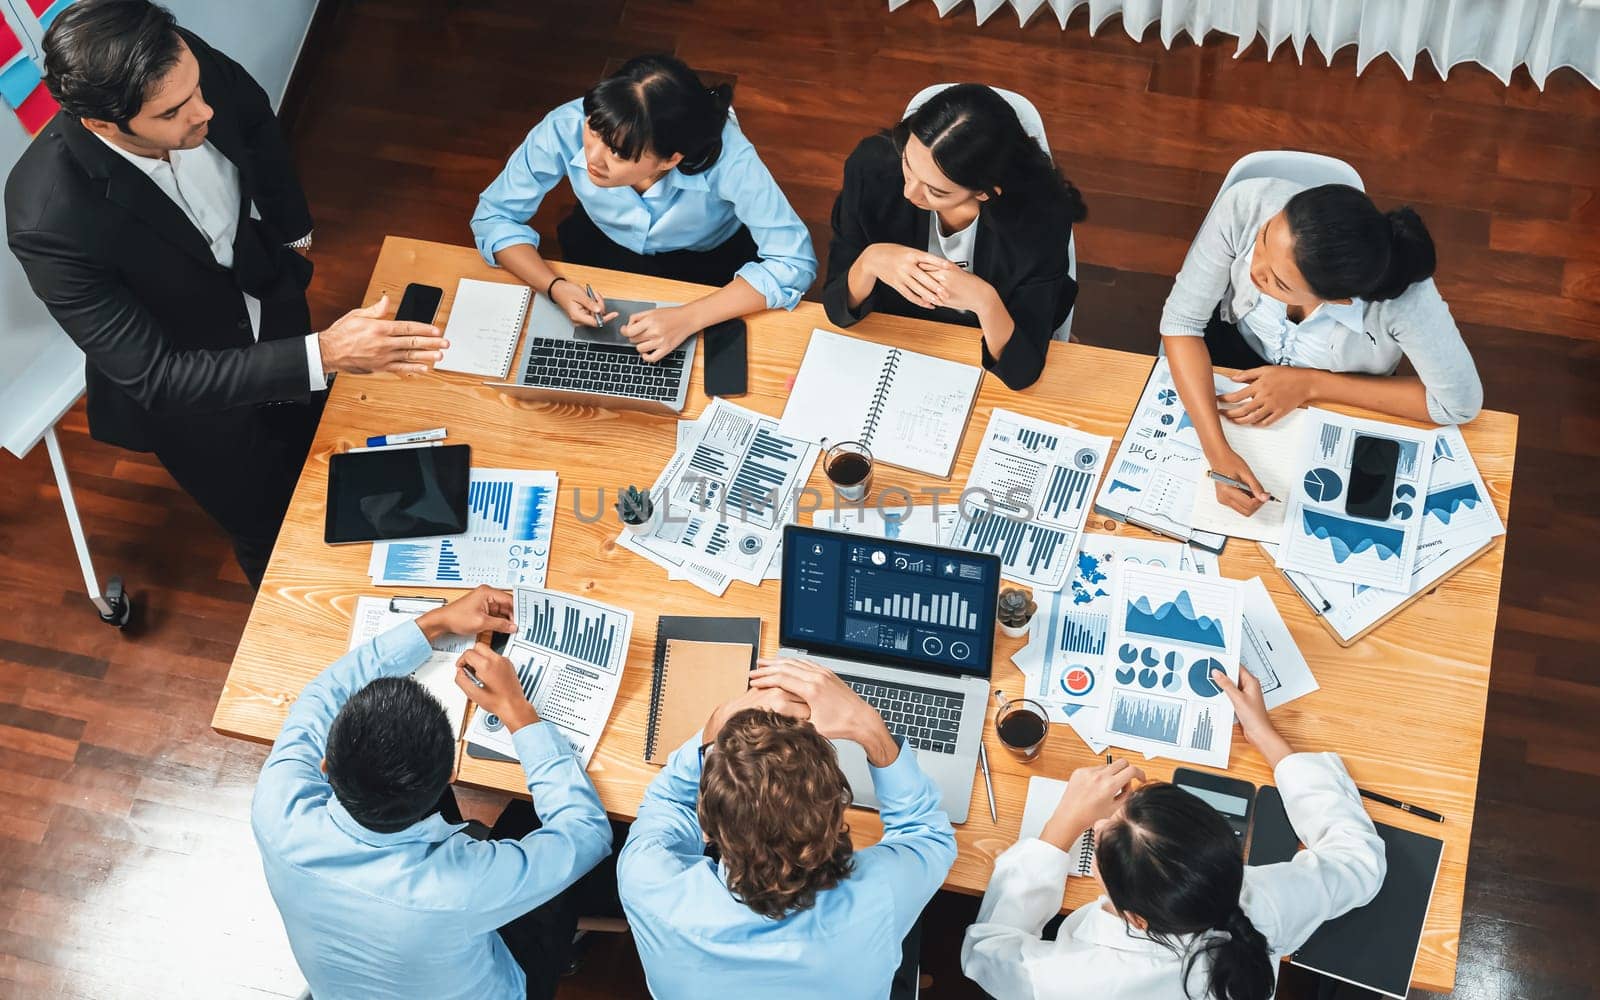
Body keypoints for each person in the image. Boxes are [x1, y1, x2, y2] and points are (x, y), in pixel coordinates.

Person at [5, 0, 446, 588]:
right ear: (104, 125)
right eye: (173, 113)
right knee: (265, 522)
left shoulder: (177, 63)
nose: (203, 109)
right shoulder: (47, 217)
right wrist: (325, 355)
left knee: (319, 447)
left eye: (195, 90)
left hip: (272, 302)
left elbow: (255, 117)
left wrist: (295, 234)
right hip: (199, 406)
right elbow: (159, 378)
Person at [251, 585, 614, 1000]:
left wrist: (436, 622)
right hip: (498, 983)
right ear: (448, 779)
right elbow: (586, 833)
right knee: (524, 819)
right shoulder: (461, 885)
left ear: (325, 765)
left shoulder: (276, 808)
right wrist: (519, 712)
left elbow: (323, 695)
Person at [960, 668, 1387, 1000]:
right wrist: (1264, 735)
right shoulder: (1265, 902)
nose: (1099, 820)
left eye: (1100, 834)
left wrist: (1062, 825)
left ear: (1135, 917)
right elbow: (1360, 861)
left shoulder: (1074, 981)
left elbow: (984, 952)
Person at [616, 657, 958, 999]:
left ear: (705, 819)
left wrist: (716, 726)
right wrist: (869, 726)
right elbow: (927, 835)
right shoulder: (878, 900)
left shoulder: (647, 884)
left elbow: (668, 802)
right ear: (838, 817)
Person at [1161, 178, 1483, 519]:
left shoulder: (1405, 301)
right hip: (1230, 356)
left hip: (1340, 395)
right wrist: (1218, 453)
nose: (1254, 271)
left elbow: (1459, 405)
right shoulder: (1248, 206)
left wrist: (1310, 384)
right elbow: (1182, 323)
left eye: (1279, 282)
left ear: (1337, 300)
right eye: (1263, 238)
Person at [470, 54, 816, 363]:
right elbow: (494, 215)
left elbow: (793, 261)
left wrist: (689, 317)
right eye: (592, 130)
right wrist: (555, 285)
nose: (592, 158)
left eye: (618, 153)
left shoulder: (732, 160)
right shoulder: (565, 125)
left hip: (708, 262)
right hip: (602, 245)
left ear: (670, 159)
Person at [822, 84, 1086, 390]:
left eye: (936, 191)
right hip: (899, 341)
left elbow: (1021, 369)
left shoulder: (1039, 218)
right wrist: (869, 261)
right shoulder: (872, 170)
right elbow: (836, 307)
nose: (910, 193)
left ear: (985, 192)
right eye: (908, 165)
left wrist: (984, 300)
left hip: (978, 355)